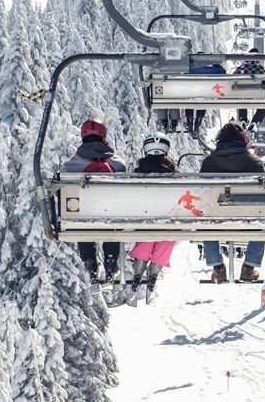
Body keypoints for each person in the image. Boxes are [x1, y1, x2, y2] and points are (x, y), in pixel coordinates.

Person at [200, 122, 265, 283]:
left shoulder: (209, 163)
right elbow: (264, 195)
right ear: (243, 139)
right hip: (248, 220)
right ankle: (249, 267)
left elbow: (202, 193)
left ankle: (218, 268)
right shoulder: (255, 163)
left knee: (206, 217)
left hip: (216, 221)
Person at [62, 119, 125, 283]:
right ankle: (111, 263)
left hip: (84, 218)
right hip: (111, 217)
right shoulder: (118, 164)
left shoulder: (70, 166)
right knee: (113, 219)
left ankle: (91, 266)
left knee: (81, 220)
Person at [125, 135, 178, 306]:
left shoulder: (138, 173)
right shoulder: (174, 175)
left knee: (147, 234)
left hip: (145, 221)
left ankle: (138, 273)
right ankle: (153, 274)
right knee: (167, 234)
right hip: (168, 222)